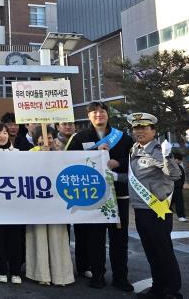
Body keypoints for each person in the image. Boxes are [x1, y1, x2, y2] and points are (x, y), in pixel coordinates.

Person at [67, 101, 134, 291]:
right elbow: (68, 161)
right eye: (94, 112)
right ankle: (97, 276)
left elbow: (132, 160)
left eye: (102, 111)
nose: (99, 115)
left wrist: (118, 162)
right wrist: (93, 154)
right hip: (93, 197)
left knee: (119, 240)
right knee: (95, 239)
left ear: (107, 114)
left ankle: (121, 277)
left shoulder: (123, 138)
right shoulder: (79, 137)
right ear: (88, 116)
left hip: (119, 196)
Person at [127, 113, 182, 299]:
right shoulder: (134, 149)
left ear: (153, 131)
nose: (139, 131)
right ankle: (158, 289)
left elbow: (175, 175)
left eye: (143, 127)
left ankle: (173, 291)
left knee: (164, 253)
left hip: (157, 210)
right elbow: (135, 178)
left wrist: (167, 156)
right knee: (152, 253)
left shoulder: (158, 151)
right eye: (136, 128)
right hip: (140, 210)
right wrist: (114, 176)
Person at [25, 126, 75, 286]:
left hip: (57, 204)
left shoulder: (61, 153)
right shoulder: (29, 154)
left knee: (57, 237)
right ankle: (41, 274)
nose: (47, 140)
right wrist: (41, 156)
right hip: (37, 204)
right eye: (42, 137)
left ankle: (61, 275)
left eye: (50, 137)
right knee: (38, 236)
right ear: (36, 139)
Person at [0, 123, 22, 284]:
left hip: (15, 203)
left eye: (5, 133)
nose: (2, 136)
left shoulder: (17, 153)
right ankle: (1, 270)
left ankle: (15, 271)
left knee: (15, 239)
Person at [170, 152, 186, 222]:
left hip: (178, 188)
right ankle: (168, 214)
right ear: (175, 159)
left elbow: (183, 178)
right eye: (179, 160)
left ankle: (181, 216)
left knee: (179, 203)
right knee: (169, 202)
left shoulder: (180, 167)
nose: (180, 162)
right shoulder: (168, 166)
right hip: (170, 188)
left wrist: (181, 186)